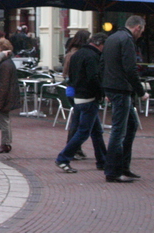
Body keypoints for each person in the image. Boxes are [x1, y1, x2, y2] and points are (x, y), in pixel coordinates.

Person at [101, 15, 150, 183]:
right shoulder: (127, 40)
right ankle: (114, 171)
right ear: (137, 28)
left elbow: (103, 64)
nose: (141, 34)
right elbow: (130, 69)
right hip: (121, 89)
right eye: (141, 31)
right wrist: (141, 92)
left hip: (113, 87)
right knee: (119, 130)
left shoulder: (112, 38)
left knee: (130, 125)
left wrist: (105, 88)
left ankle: (123, 167)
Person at [55, 33, 108, 173]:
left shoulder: (77, 54)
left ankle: (103, 160)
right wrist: (104, 92)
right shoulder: (92, 56)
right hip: (89, 97)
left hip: (78, 95)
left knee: (96, 131)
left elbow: (71, 75)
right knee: (84, 132)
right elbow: (93, 78)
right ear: (99, 44)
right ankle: (63, 158)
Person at [0, 38, 21, 154]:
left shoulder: (5, 65)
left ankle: (5, 143)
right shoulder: (7, 63)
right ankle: (6, 143)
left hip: (4, 98)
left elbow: (3, 85)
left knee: (4, 120)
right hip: (6, 97)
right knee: (4, 120)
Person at [62, 29, 91, 160]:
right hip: (76, 90)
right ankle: (72, 148)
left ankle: (75, 148)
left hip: (71, 89)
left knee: (78, 120)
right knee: (78, 121)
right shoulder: (77, 54)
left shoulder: (70, 52)